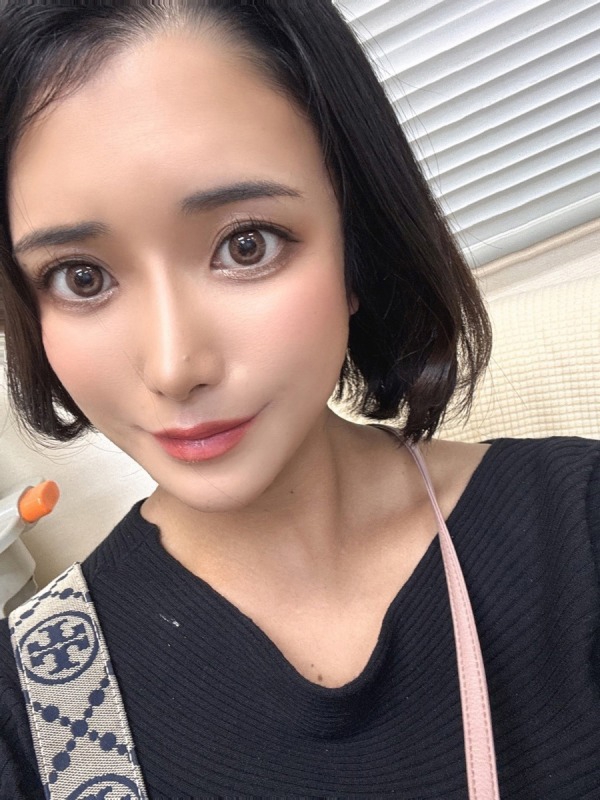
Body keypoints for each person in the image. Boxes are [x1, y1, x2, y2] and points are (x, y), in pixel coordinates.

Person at [0, 2, 598, 798]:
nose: (174, 367)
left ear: (358, 245)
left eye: (246, 244)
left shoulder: (580, 527)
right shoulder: (31, 709)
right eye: (81, 277)